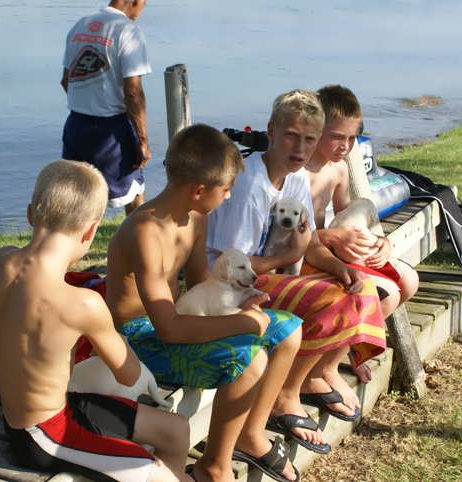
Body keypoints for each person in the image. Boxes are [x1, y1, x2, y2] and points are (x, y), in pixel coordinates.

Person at [0, 160, 191, 482]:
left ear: (30, 214)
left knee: (175, 430)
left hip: (56, 411)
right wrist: (109, 338)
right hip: (44, 436)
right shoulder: (83, 304)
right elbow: (128, 374)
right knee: (156, 474)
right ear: (91, 230)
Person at [107, 124, 304, 482]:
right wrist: (242, 323)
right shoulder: (145, 232)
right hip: (140, 340)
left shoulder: (196, 217)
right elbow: (168, 328)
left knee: (289, 330)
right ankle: (214, 466)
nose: (228, 197)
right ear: (199, 190)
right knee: (251, 359)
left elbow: (203, 287)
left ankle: (249, 434)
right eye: (226, 189)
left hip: (180, 318)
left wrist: (241, 302)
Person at [207, 90, 386, 443]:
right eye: (291, 136)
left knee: (361, 288)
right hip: (226, 286)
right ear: (271, 131)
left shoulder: (296, 179)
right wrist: (288, 258)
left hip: (265, 274)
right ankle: (284, 396)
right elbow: (231, 267)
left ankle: (311, 377)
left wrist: (339, 268)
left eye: (309, 139)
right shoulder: (250, 186)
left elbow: (311, 244)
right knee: (329, 301)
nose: (300, 148)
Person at [305, 84, 420, 383]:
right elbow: (289, 235)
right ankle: (324, 368)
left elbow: (347, 218)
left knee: (409, 280)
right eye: (337, 137)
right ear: (315, 128)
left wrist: (382, 242)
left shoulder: (339, 169)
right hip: (306, 257)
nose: (345, 146)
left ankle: (351, 349)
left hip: (329, 251)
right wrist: (330, 238)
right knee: (386, 294)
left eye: (352, 138)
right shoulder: (299, 172)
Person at [60, 0, 151, 214]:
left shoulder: (80, 25)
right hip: (111, 130)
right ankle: (138, 235)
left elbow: (66, 81)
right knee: (134, 193)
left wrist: (89, 103)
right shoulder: (128, 31)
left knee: (78, 198)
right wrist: (142, 141)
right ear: (136, 1)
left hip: (75, 125)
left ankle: (76, 237)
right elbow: (133, 92)